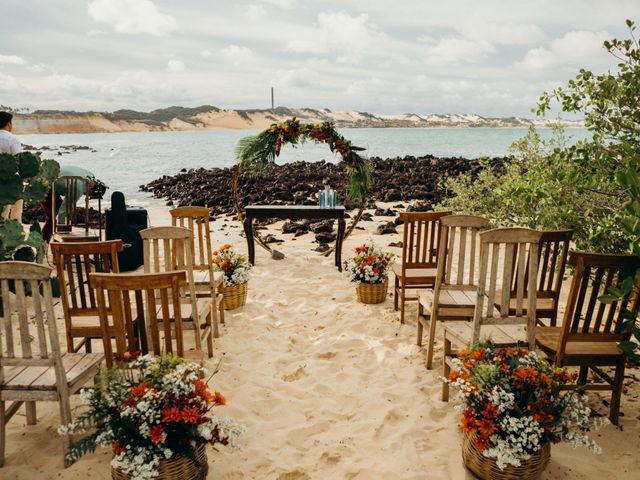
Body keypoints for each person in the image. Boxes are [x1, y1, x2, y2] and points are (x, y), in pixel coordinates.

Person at [41, 165, 98, 241]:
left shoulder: (91, 175)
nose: (86, 195)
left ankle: (54, 242)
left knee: (63, 216)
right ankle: (45, 242)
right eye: (90, 195)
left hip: (49, 176)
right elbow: (63, 209)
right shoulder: (78, 188)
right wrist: (61, 227)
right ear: (91, 190)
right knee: (55, 215)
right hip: (43, 185)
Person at [0, 111, 24, 221]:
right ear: (9, 124)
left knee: (2, 213)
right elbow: (19, 159)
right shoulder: (12, 139)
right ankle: (16, 233)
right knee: (16, 210)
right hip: (11, 179)